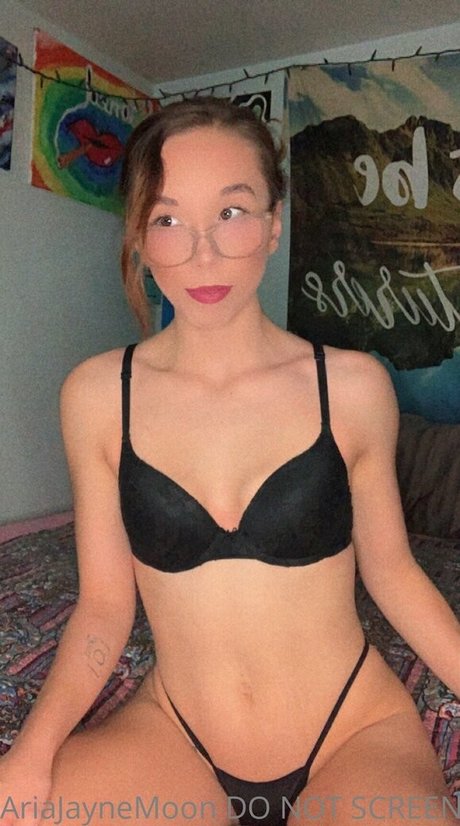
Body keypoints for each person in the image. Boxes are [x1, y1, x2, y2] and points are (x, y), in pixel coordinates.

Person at [1, 97, 459, 826]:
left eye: (232, 212)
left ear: (274, 222)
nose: (202, 254)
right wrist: (31, 750)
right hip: (177, 735)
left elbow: (395, 575)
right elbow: (105, 607)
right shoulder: (96, 396)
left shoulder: (350, 386)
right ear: (140, 236)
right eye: (168, 220)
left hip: (350, 730)